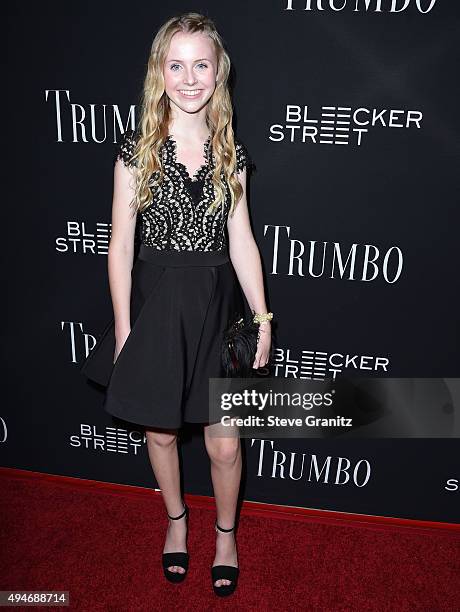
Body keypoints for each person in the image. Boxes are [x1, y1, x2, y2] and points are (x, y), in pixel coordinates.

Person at [80, 12, 273, 597]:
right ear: (158, 72)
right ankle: (175, 522)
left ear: (219, 73)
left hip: (218, 310)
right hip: (157, 308)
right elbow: (119, 246)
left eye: (201, 65)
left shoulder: (230, 154)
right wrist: (122, 326)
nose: (190, 78)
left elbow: (242, 241)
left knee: (223, 440)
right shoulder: (136, 153)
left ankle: (225, 535)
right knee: (160, 435)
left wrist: (263, 318)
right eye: (177, 64)